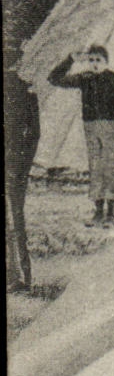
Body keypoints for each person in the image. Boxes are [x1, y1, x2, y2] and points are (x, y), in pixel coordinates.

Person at [47, 45, 114, 227]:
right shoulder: (85, 78)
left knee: (109, 168)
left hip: (110, 127)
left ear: (106, 62)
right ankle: (98, 212)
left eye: (98, 60)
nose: (94, 64)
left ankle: (110, 213)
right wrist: (70, 59)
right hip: (90, 126)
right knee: (95, 167)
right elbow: (54, 78)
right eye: (91, 60)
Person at [5, 42, 40, 290]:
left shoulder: (25, 92)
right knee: (16, 217)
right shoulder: (27, 91)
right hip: (17, 161)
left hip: (13, 162)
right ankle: (22, 276)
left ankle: (16, 277)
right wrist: (25, 161)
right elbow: (35, 133)